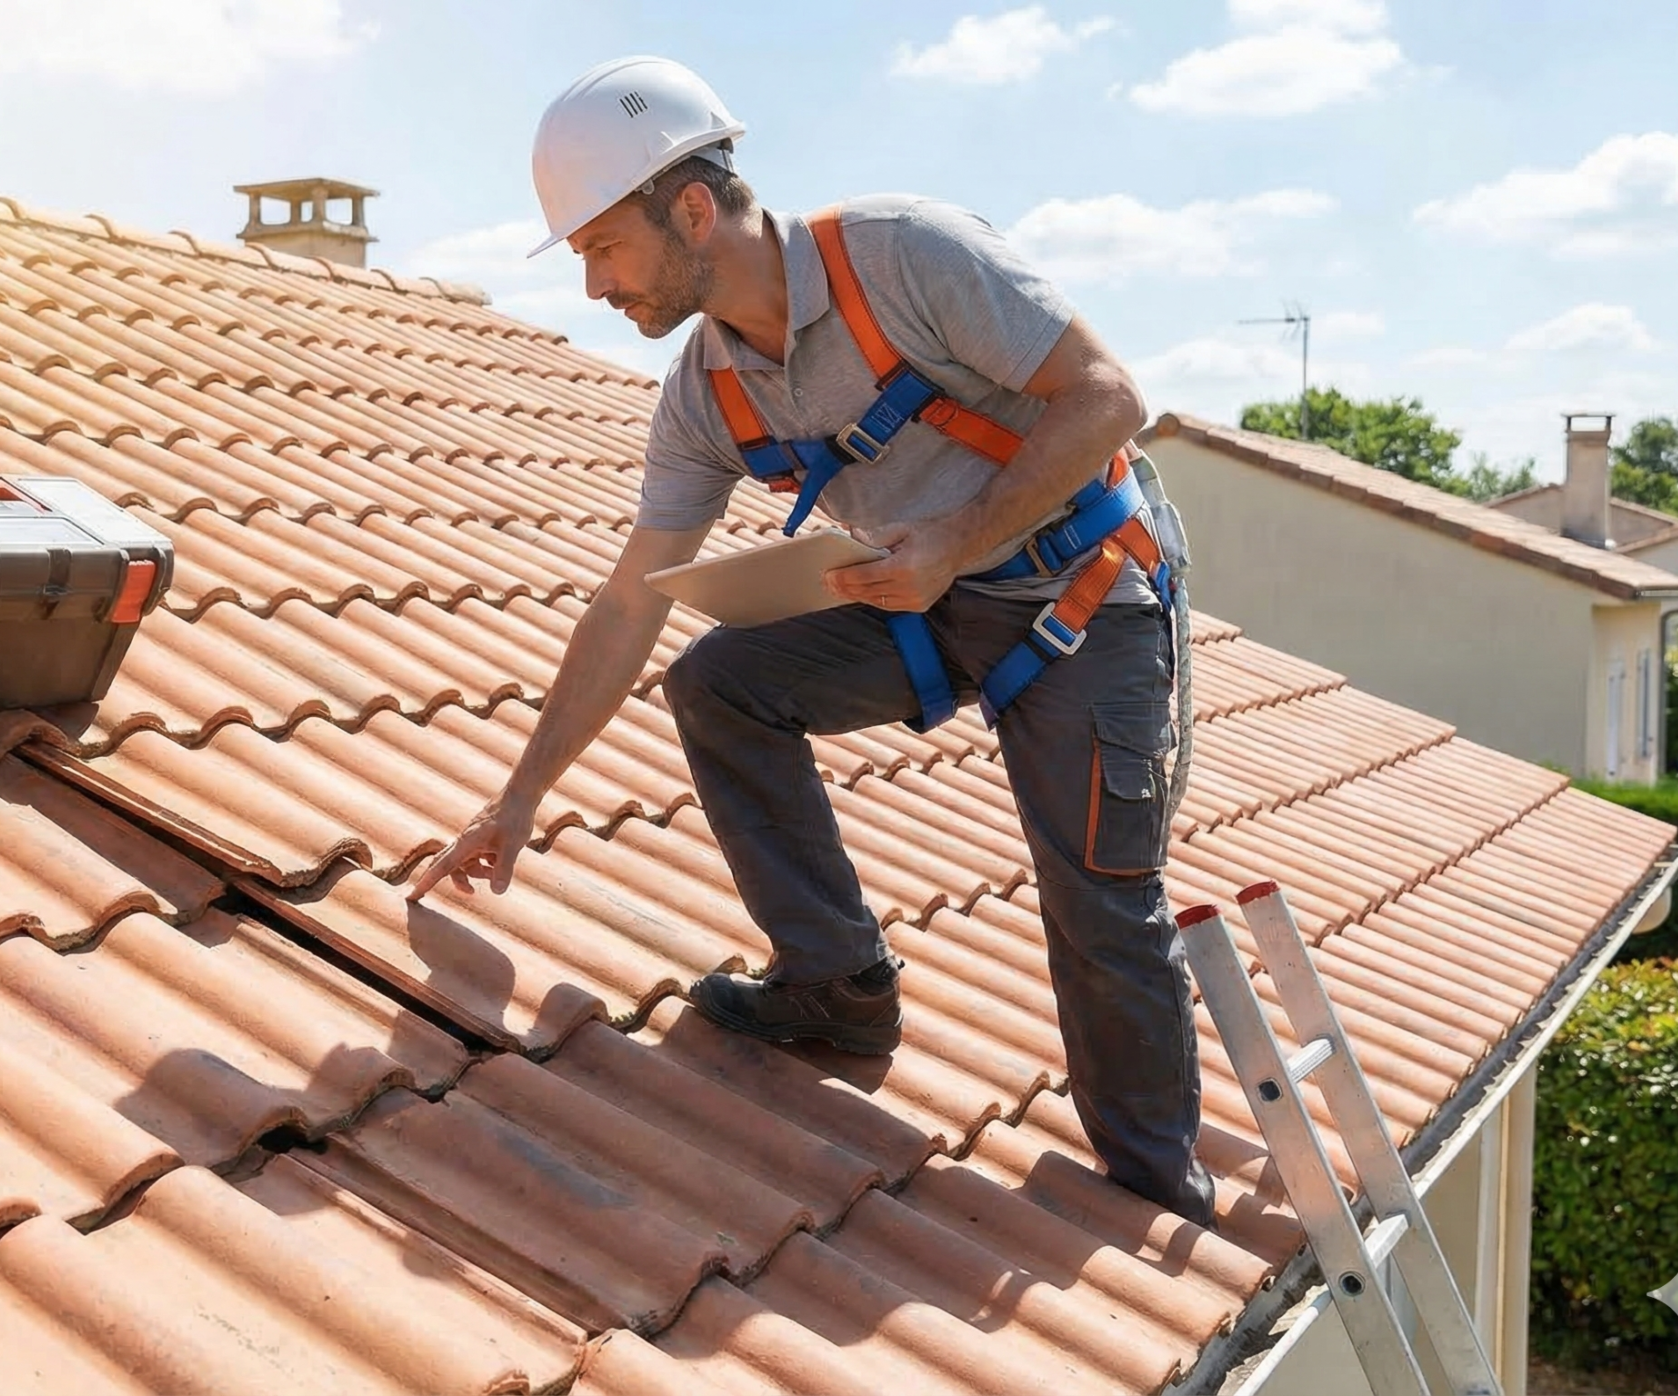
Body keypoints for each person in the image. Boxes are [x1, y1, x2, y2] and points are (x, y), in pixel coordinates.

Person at [406, 55, 1214, 1226]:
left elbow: (1107, 399)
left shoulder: (906, 256)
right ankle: (837, 990)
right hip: (925, 606)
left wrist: (957, 535)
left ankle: (1151, 1196)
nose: (593, 287)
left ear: (690, 210)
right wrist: (521, 795)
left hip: (1079, 598)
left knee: (1098, 901)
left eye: (601, 248)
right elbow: (631, 598)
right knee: (721, 683)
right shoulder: (706, 394)